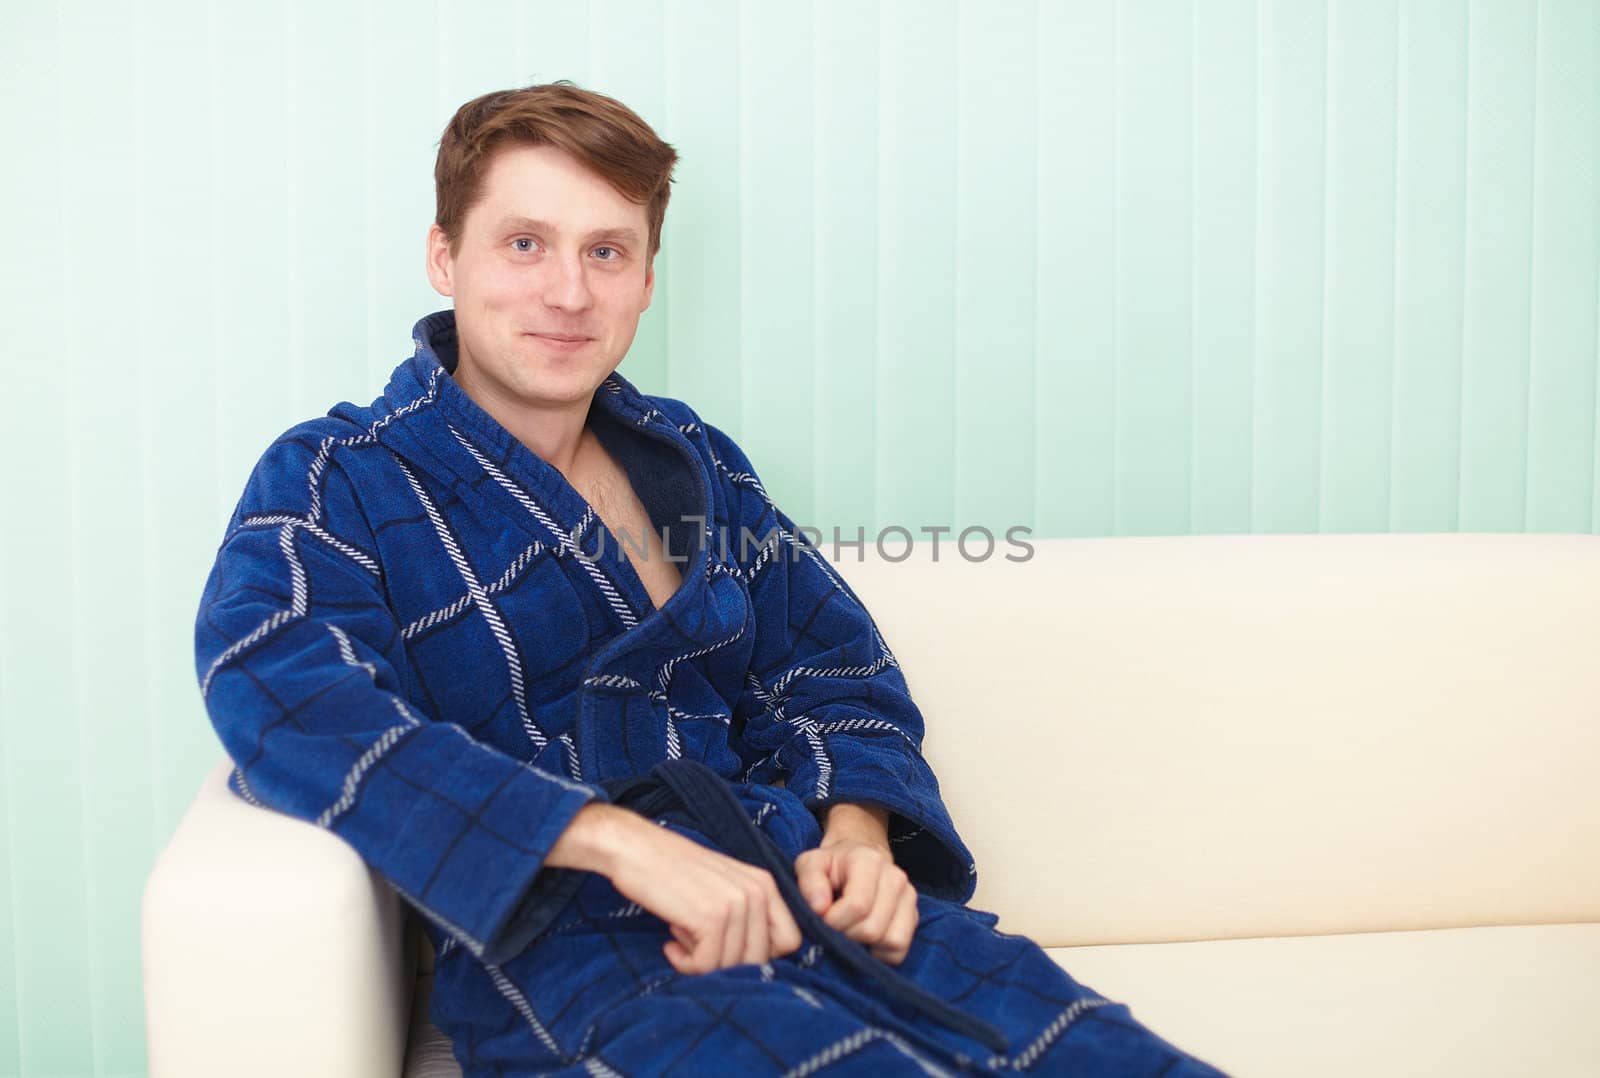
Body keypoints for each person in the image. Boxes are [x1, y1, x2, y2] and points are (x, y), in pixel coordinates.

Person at [195, 81, 1227, 1077]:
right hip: (588, 956)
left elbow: (829, 661)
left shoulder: (692, 459)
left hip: (808, 891)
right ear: (443, 256)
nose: (569, 291)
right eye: (524, 243)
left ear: (646, 277)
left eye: (608, 251)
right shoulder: (339, 476)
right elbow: (275, 686)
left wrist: (860, 835)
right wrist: (613, 844)